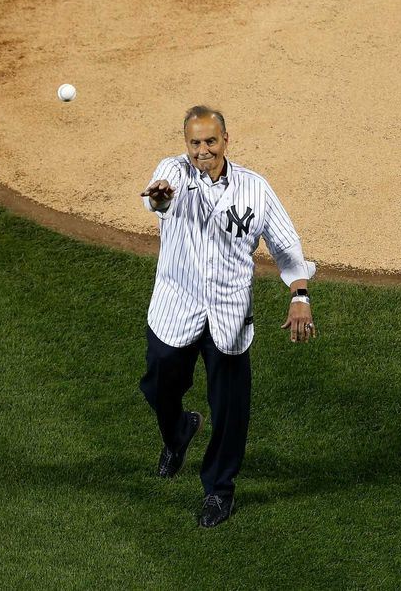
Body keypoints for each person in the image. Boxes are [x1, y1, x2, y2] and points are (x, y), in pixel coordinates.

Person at [139, 105, 317, 528]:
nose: (203, 150)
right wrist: (160, 197)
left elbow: (286, 245)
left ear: (225, 140)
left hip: (230, 313)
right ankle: (178, 432)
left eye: (210, 141)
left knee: (230, 409)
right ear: (186, 144)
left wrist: (299, 295)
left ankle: (219, 490)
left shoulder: (255, 189)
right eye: (195, 142)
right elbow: (159, 198)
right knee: (159, 386)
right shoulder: (173, 172)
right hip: (175, 305)